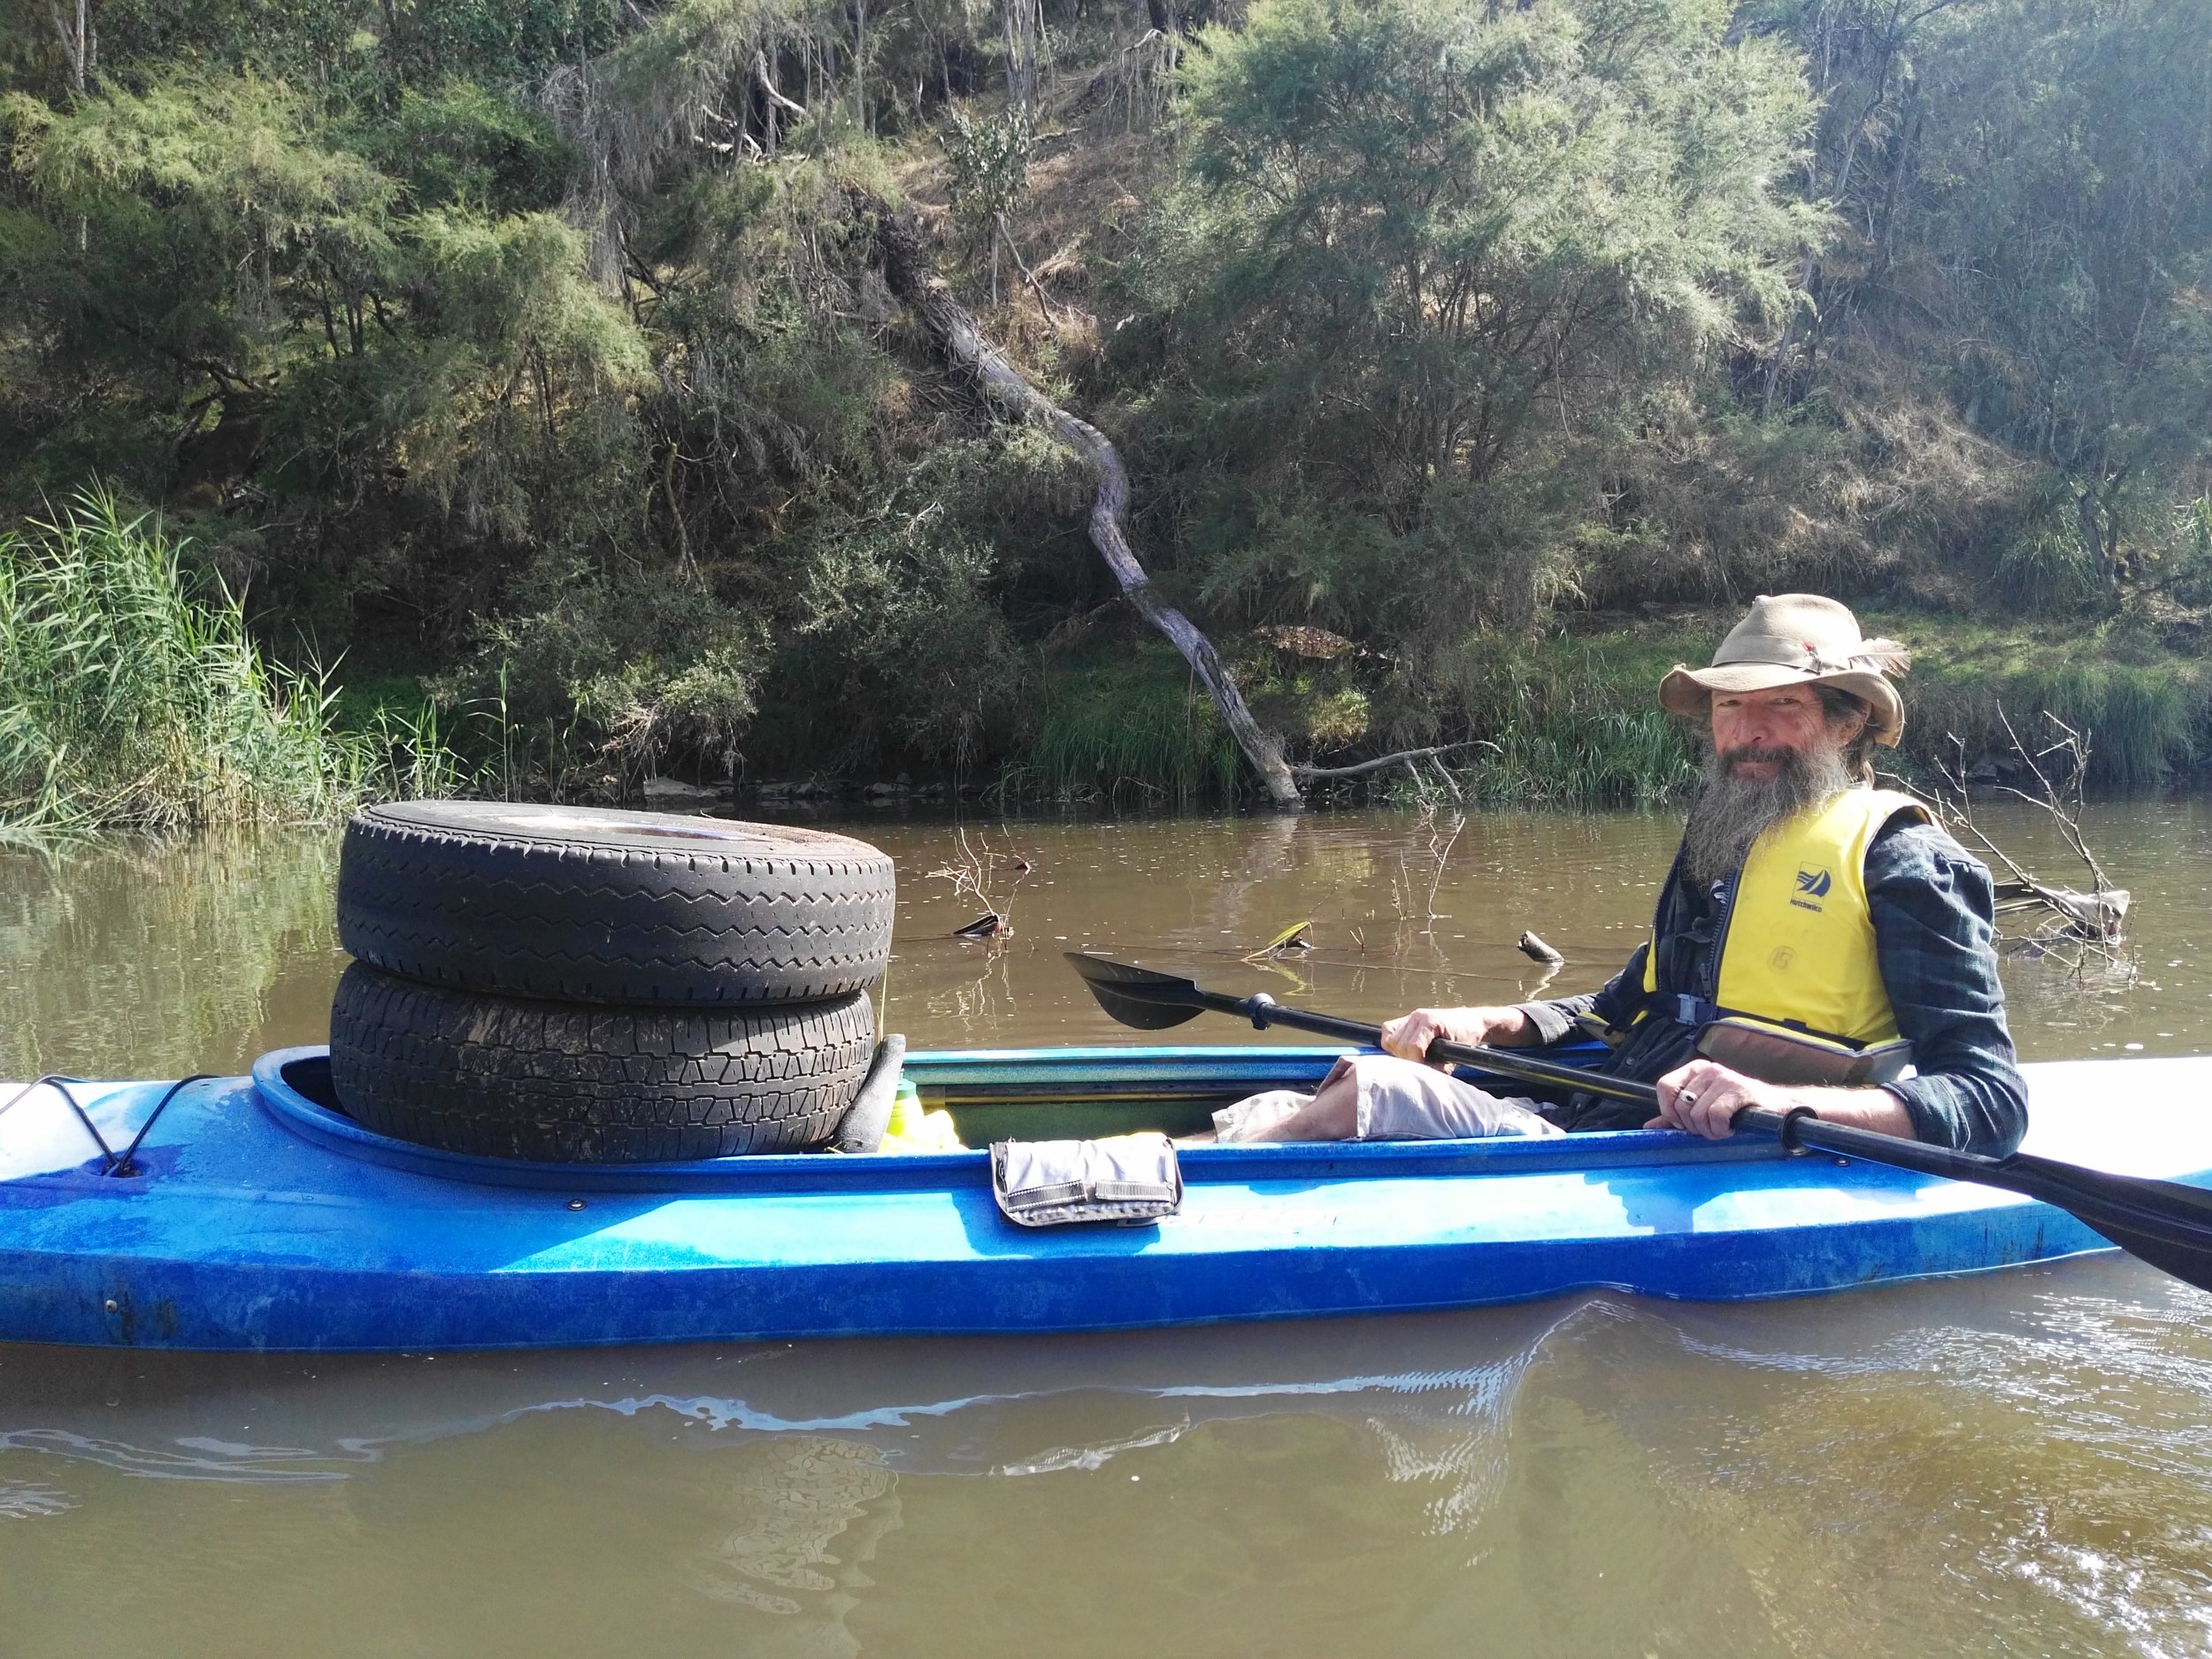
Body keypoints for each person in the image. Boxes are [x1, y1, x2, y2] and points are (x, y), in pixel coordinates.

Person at [1203, 594, 2028, 1156]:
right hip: (1606, 1124)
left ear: (1848, 723)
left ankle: (1193, 1192)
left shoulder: (1904, 862)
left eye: (1784, 706)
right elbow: (1619, 1009)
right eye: (1731, 708)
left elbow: (1990, 1102)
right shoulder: (1723, 832)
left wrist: (1776, 1101)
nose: (1748, 733)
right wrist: (1485, 1023)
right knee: (1366, 1074)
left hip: (1717, 1160)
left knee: (1369, 1096)